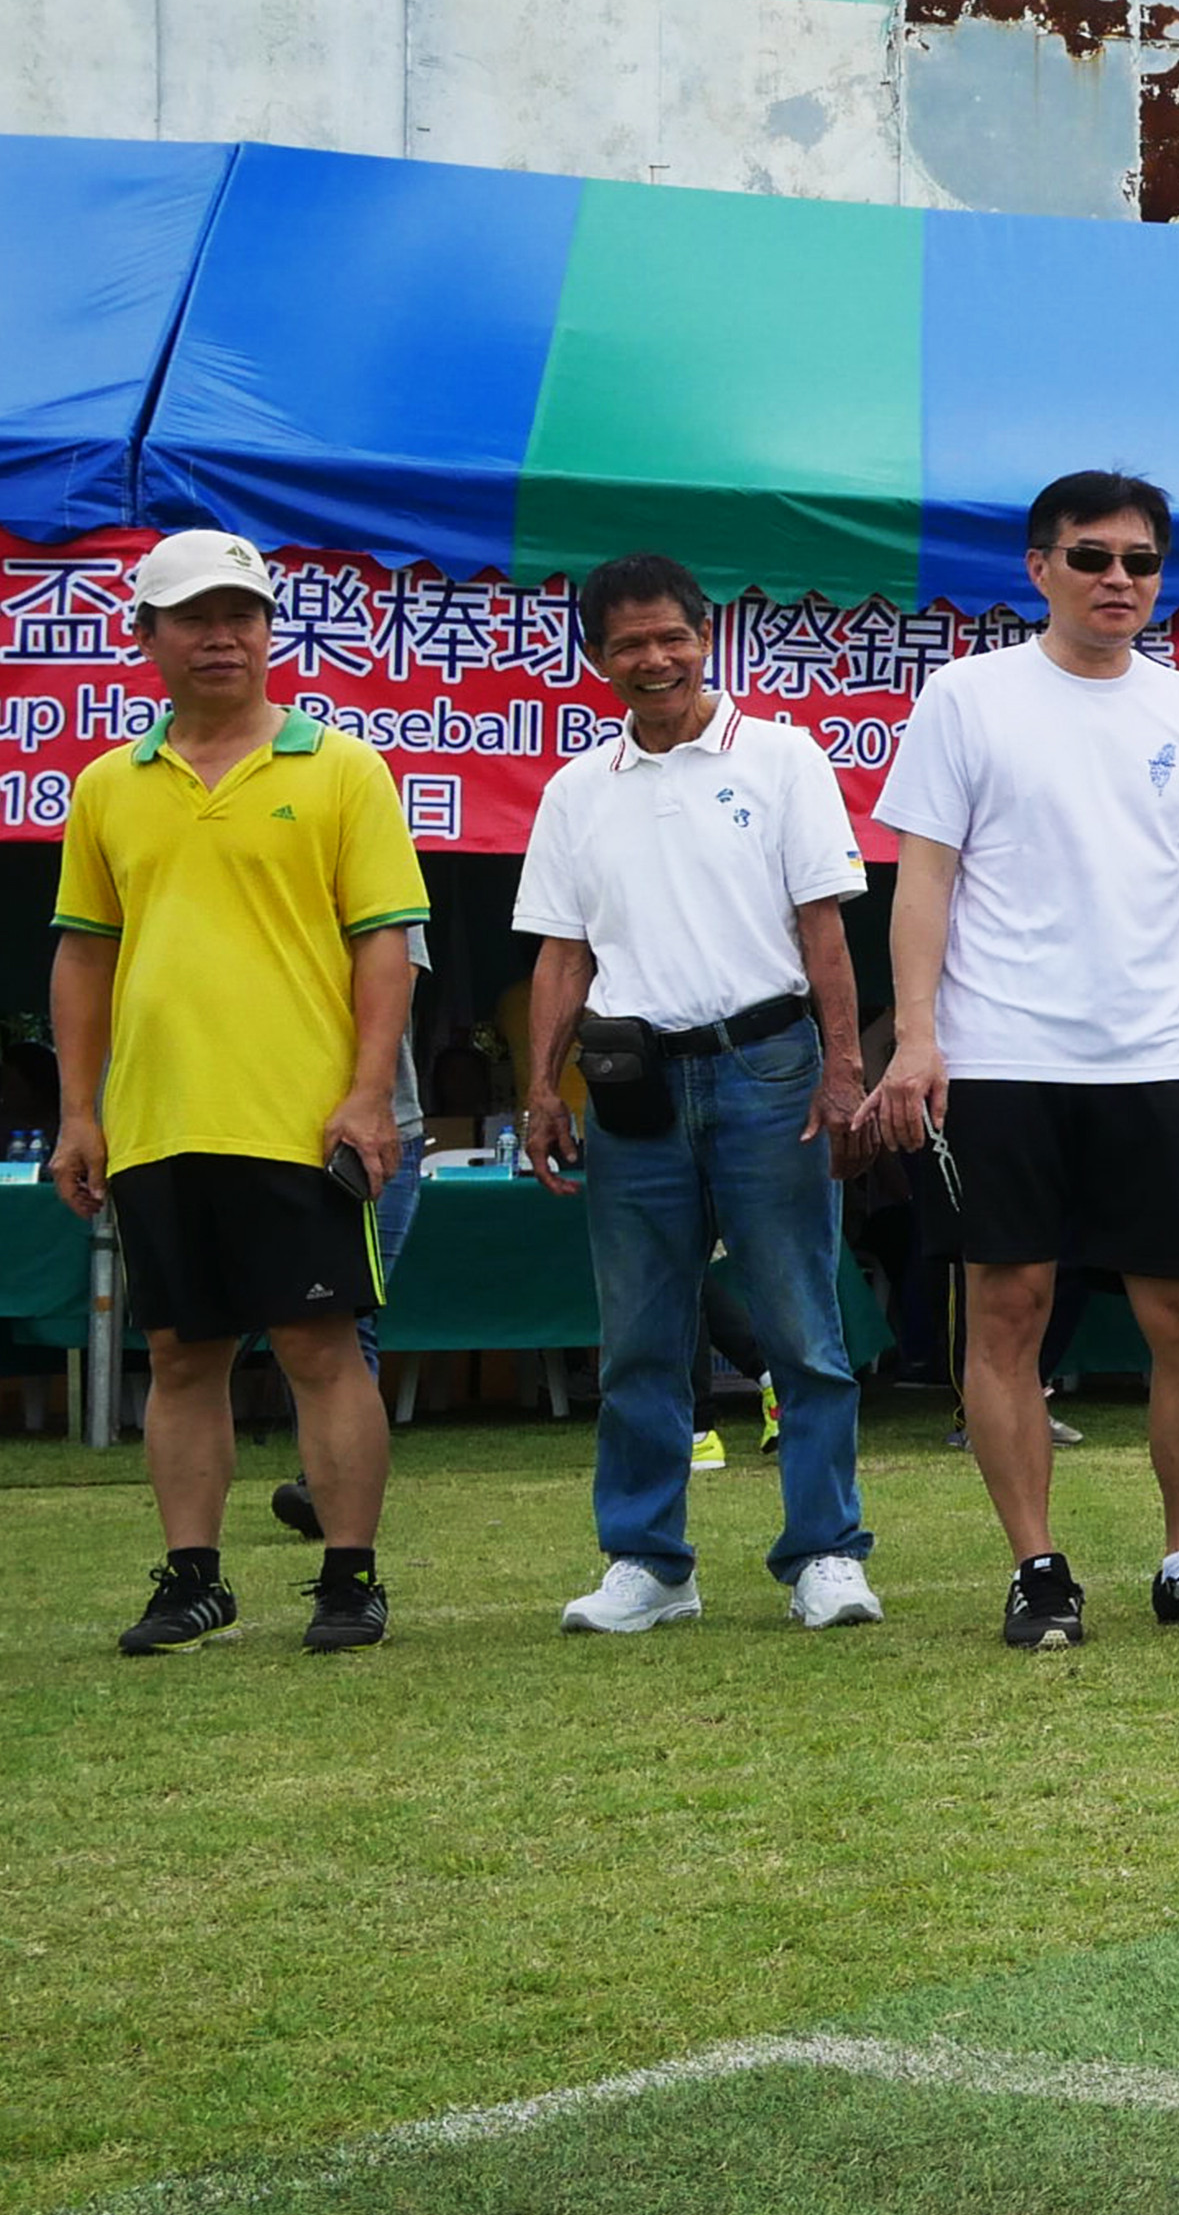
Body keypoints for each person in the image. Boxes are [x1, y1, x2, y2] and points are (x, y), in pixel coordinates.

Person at [869, 474, 1179, 1646]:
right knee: (1006, 1309)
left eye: (1141, 562)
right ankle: (1036, 1568)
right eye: (1093, 558)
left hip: (1154, 1061)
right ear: (1038, 567)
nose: (1119, 581)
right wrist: (915, 1038)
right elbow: (926, 876)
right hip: (1000, 1055)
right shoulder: (966, 695)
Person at [61, 529, 428, 1657]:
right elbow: (84, 955)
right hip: (159, 1123)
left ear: (270, 629)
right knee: (179, 1357)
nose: (220, 635)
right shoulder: (108, 785)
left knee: (320, 1347)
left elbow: (386, 947)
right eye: (192, 617)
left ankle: (350, 1577)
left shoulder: (342, 768)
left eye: (242, 614)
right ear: (147, 637)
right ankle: (192, 1580)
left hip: (298, 1118)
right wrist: (82, 1110)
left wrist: (369, 1095)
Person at [512, 552, 880, 1636]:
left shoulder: (780, 757)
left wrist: (846, 1064)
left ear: (704, 635)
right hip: (631, 1085)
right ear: (596, 660)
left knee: (800, 1325)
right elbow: (561, 956)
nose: (654, 659)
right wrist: (540, 1084)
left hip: (771, 1064)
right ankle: (649, 1561)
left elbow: (826, 930)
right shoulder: (578, 788)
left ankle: (825, 1551)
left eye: (670, 636)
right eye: (627, 643)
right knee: (639, 1336)